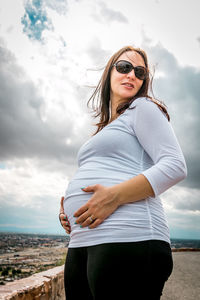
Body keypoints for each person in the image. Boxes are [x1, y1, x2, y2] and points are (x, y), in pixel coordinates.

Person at [59, 45, 187, 300]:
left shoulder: (142, 108)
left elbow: (175, 165)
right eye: (124, 67)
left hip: (129, 239)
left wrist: (113, 197)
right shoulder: (110, 126)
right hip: (84, 242)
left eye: (139, 72)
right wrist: (72, 211)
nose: (131, 75)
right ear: (109, 72)